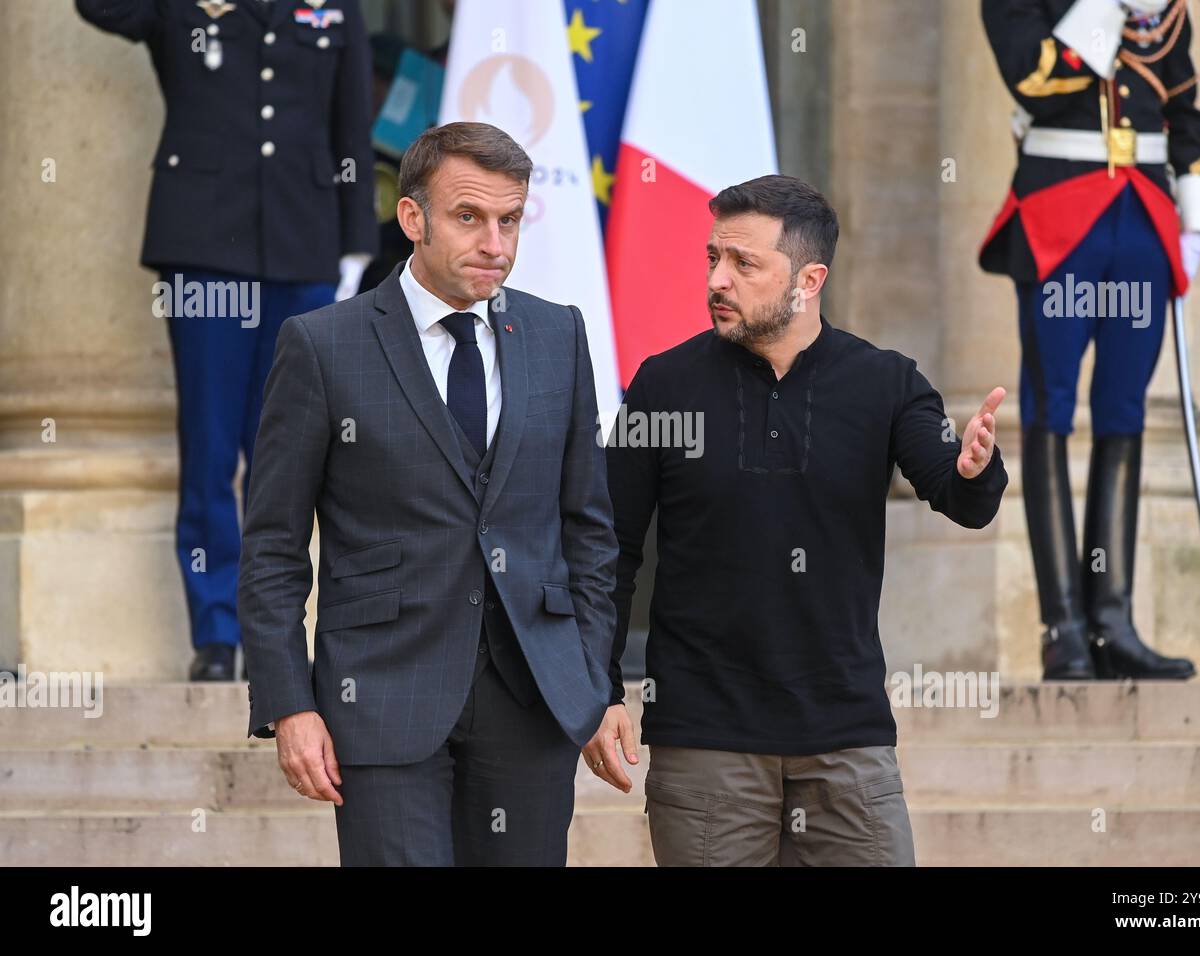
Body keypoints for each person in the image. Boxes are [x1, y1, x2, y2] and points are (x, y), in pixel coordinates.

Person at [586, 174, 1009, 866]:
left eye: (744, 263)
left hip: (848, 739)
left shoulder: (887, 383)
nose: (718, 279)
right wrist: (598, 690)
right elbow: (608, 548)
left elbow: (962, 499)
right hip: (706, 743)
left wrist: (974, 469)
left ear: (809, 279)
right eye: (713, 258)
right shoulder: (663, 385)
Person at [239, 122, 619, 867]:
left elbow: (589, 530)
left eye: (510, 220)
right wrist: (289, 702)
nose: (496, 244)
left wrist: (591, 678)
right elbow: (274, 547)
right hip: (379, 696)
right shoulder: (321, 345)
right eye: (469, 217)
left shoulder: (558, 334)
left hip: (533, 700)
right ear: (412, 219)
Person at [75, 0, 379, 680]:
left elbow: (350, 128)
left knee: (287, 458)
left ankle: (273, 639)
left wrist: (356, 250)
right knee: (210, 448)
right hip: (205, 249)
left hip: (305, 253)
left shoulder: (332, 7)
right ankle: (216, 634)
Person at [979, 0, 1200, 679]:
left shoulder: (1162, 9)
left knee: (1124, 414)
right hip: (1061, 209)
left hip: (1142, 218)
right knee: (1050, 409)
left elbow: (1187, 114)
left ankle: (1113, 619)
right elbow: (1035, 77)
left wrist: (1194, 222)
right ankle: (1063, 627)